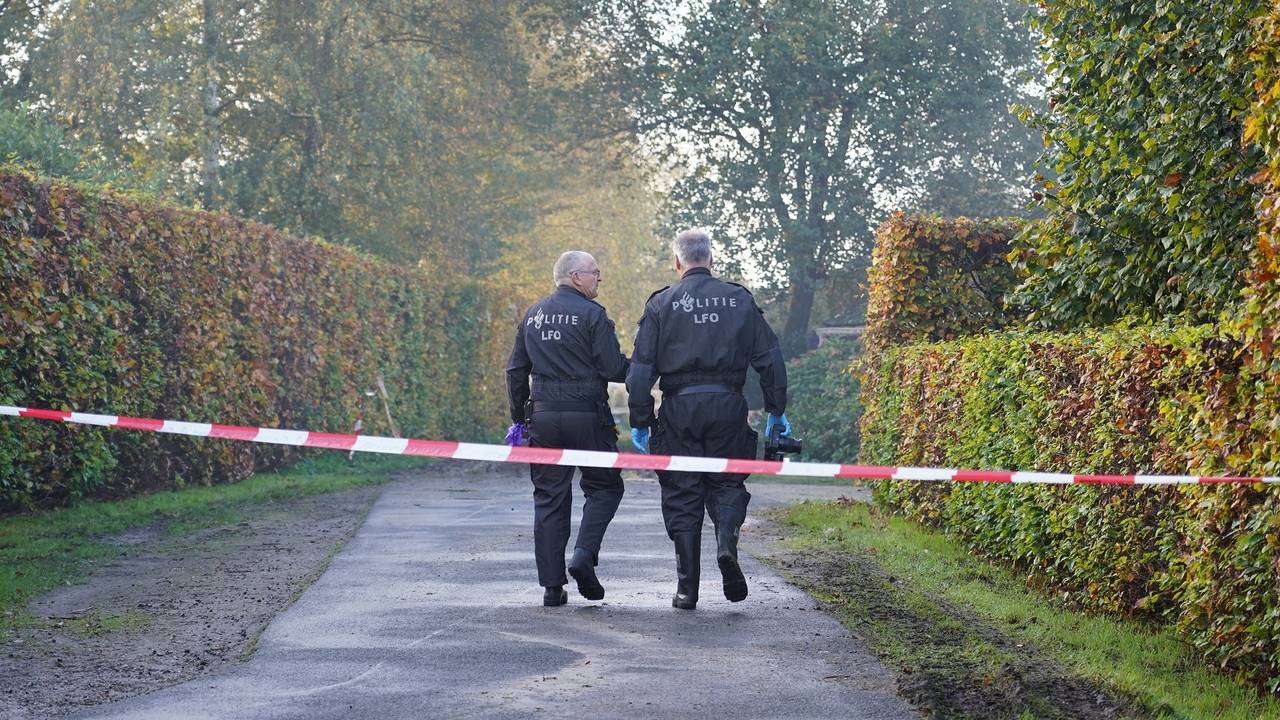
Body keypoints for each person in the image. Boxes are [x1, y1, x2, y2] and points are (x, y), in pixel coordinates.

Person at [626, 228, 789, 610]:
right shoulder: (739, 299)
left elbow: (641, 368)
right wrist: (776, 411)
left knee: (682, 493)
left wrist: (640, 419)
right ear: (711, 260)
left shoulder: (661, 304)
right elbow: (770, 359)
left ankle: (687, 589)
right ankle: (726, 544)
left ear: (677, 262)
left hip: (679, 408)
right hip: (727, 405)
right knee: (727, 482)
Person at [506, 251, 629, 607]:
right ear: (576, 276)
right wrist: (644, 367)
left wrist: (520, 418)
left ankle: (552, 587)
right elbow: (611, 368)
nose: (599, 279)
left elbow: (515, 371)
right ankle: (583, 556)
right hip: (587, 415)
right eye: (595, 273)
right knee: (605, 487)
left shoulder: (532, 315)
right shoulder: (593, 314)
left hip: (543, 417)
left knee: (549, 497)